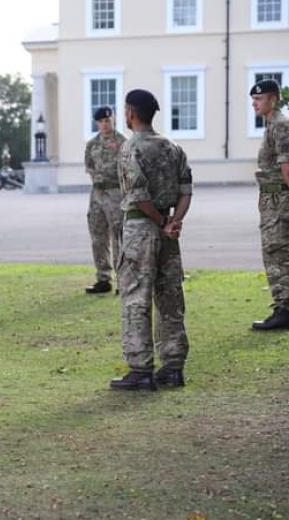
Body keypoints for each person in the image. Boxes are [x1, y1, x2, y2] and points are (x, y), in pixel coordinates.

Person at [110, 89, 193, 391]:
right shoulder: (173, 147)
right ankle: (173, 367)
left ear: (131, 113)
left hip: (141, 230)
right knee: (170, 297)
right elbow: (186, 189)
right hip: (168, 230)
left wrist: (160, 224)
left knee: (136, 297)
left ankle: (140, 368)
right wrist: (173, 222)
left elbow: (138, 195)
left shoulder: (130, 148)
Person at [249, 79, 289, 330]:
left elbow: (287, 167)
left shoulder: (280, 126)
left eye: (259, 99)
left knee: (276, 252)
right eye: (253, 99)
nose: (254, 103)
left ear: (273, 99)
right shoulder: (272, 125)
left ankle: (284, 309)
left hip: (280, 200)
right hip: (272, 198)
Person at [84, 106, 126, 294]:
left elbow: (127, 168)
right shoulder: (92, 144)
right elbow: (89, 166)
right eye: (101, 121)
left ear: (114, 120)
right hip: (97, 194)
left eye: (108, 121)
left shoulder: (123, 142)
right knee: (97, 236)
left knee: (118, 237)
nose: (105, 124)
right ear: (97, 123)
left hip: (115, 193)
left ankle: (123, 280)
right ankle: (103, 278)